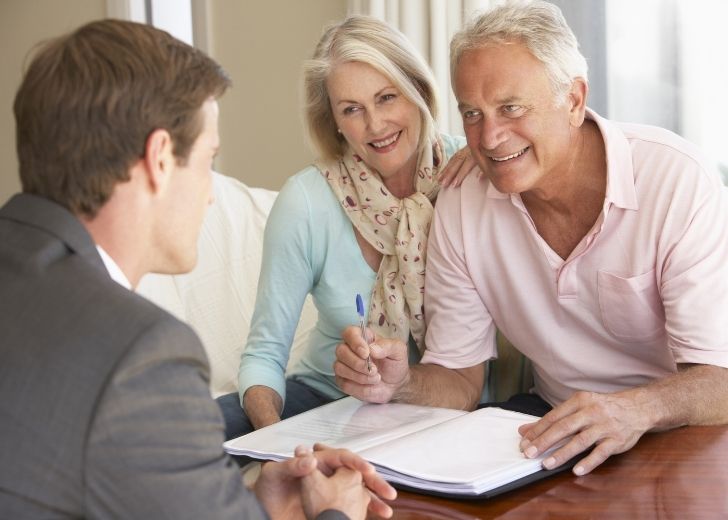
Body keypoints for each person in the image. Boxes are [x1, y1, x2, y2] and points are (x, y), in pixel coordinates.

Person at [0, 19, 396, 519]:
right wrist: (333, 513)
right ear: (160, 159)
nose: (212, 193)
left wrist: (250, 507)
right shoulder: (140, 357)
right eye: (208, 161)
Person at [334, 0, 728, 478]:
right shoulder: (462, 203)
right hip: (552, 426)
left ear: (574, 100)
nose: (491, 137)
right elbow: (458, 378)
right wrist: (401, 383)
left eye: (511, 108)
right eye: (472, 114)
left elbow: (718, 381)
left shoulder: (675, 180)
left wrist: (634, 410)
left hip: (685, 428)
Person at [216, 15, 478, 438]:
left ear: (418, 91)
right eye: (352, 109)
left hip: (446, 399)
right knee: (188, 430)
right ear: (334, 121)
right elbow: (264, 354)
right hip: (330, 396)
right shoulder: (306, 201)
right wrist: (275, 445)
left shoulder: (473, 172)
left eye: (387, 97)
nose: (375, 125)